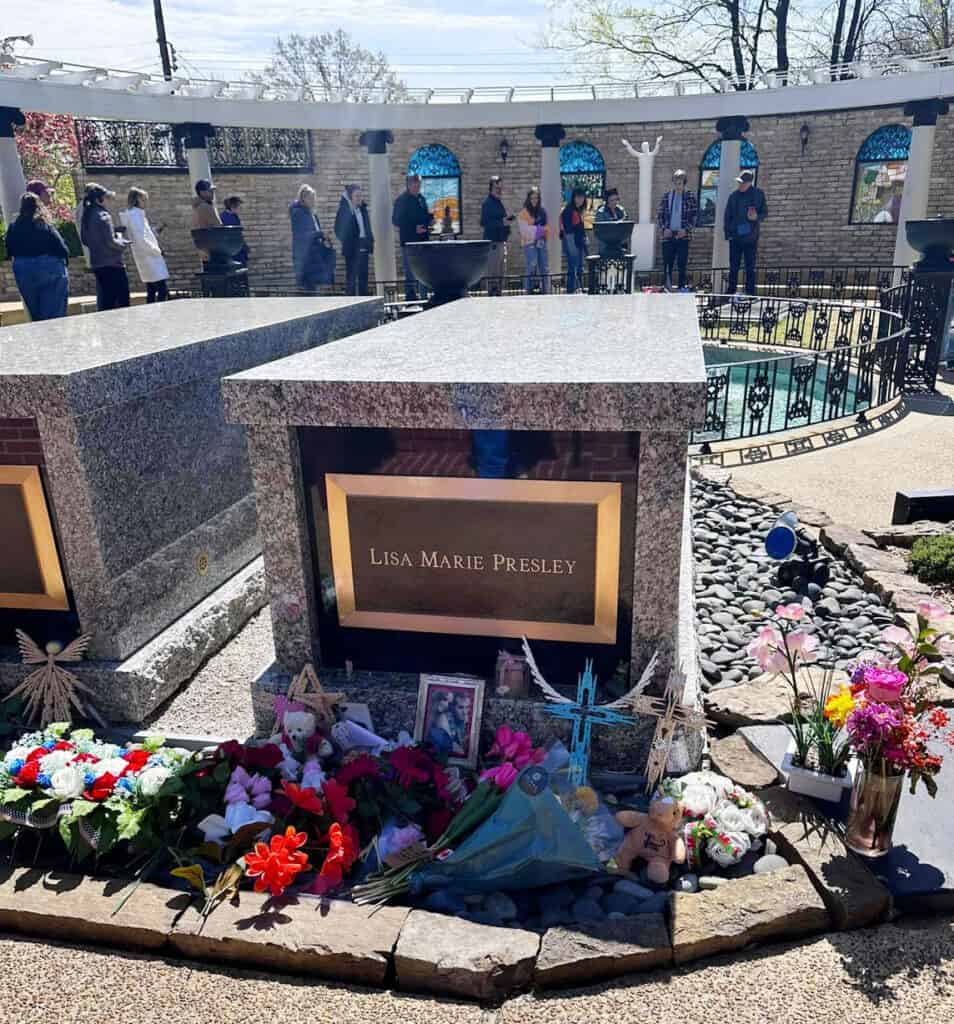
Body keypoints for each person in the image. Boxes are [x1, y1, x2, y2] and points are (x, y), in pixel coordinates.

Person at [5, 191, 70, 321]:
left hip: (23, 269)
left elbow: (9, 250)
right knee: (53, 313)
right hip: (49, 266)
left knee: (37, 314)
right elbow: (61, 248)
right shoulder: (43, 224)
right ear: (38, 206)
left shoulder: (14, 227)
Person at [79, 183, 130, 311]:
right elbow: (110, 242)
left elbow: (85, 240)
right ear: (99, 199)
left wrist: (114, 231)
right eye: (106, 198)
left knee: (106, 302)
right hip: (113, 265)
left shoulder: (86, 215)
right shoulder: (104, 215)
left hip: (97, 264)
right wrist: (123, 243)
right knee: (122, 303)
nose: (108, 201)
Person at [119, 187, 169, 303]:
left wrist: (157, 230)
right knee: (162, 289)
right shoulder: (135, 216)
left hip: (145, 257)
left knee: (151, 289)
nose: (146, 201)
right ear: (138, 199)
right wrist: (156, 251)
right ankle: (161, 314)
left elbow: (145, 234)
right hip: (149, 256)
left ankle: (152, 315)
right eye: (144, 199)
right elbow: (142, 238)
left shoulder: (136, 215)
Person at [724, 170, 767, 298]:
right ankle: (731, 290)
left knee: (750, 266)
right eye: (739, 183)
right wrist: (728, 234)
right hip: (735, 237)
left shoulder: (759, 194)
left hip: (751, 237)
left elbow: (765, 213)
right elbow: (727, 216)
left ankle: (750, 292)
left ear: (749, 183)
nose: (740, 185)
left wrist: (756, 217)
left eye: (743, 183)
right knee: (733, 266)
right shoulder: (733, 196)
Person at [656, 170, 698, 291]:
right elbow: (660, 215)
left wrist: (686, 230)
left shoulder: (690, 197)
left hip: (683, 236)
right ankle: (667, 286)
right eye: (676, 182)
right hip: (668, 236)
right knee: (667, 263)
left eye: (680, 183)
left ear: (684, 183)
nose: (678, 185)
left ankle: (681, 287)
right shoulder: (666, 196)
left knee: (682, 264)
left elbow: (694, 216)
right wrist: (664, 229)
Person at [392, 174, 432, 300]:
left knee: (424, 271)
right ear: (409, 185)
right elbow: (396, 221)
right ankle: (411, 299)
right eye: (415, 185)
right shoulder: (401, 200)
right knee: (410, 272)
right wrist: (414, 229)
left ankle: (424, 298)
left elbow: (424, 216)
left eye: (419, 185)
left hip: (423, 241)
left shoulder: (422, 199)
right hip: (409, 243)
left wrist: (429, 220)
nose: (418, 188)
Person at [289, 184, 335, 291]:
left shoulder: (312, 213)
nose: (313, 201)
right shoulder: (298, 213)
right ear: (303, 198)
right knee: (309, 289)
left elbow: (315, 231)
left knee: (316, 287)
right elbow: (301, 235)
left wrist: (324, 236)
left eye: (314, 198)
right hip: (305, 256)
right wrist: (320, 234)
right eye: (311, 198)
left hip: (315, 253)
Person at [334, 184, 374, 296]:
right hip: (352, 249)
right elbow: (338, 230)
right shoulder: (344, 211)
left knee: (364, 277)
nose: (359, 198)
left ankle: (364, 301)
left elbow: (367, 228)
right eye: (356, 196)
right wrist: (349, 241)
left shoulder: (363, 209)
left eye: (360, 195)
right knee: (351, 279)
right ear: (350, 197)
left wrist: (370, 241)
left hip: (364, 247)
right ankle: (350, 304)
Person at [480, 176, 514, 296]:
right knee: (493, 273)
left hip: (501, 242)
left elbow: (501, 220)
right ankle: (492, 298)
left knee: (500, 273)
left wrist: (507, 223)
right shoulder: (487, 203)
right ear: (491, 188)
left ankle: (498, 297)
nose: (499, 190)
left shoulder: (499, 203)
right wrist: (502, 222)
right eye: (496, 187)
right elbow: (484, 223)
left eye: (500, 187)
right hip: (493, 243)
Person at [517, 187, 549, 294]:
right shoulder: (523, 213)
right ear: (528, 199)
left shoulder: (543, 211)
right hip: (529, 244)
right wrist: (538, 230)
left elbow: (547, 229)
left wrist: (539, 231)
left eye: (536, 198)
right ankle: (527, 291)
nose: (534, 200)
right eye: (532, 198)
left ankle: (546, 292)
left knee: (544, 267)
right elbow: (524, 231)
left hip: (542, 242)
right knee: (531, 265)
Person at [560, 187, 589, 294]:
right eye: (578, 197)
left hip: (579, 242)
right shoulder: (569, 210)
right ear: (574, 198)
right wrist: (572, 247)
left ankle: (578, 288)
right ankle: (571, 290)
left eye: (582, 197)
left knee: (579, 267)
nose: (580, 199)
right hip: (572, 242)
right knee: (573, 267)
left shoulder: (577, 210)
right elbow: (568, 231)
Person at [594, 187, 628, 256]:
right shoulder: (601, 212)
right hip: (605, 247)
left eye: (616, 199)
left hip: (619, 246)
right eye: (612, 200)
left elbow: (625, 225)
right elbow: (600, 231)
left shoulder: (621, 210)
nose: (615, 202)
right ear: (607, 201)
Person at [220, 196, 249, 266]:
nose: (240, 209)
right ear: (233, 206)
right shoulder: (224, 217)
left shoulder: (234, 216)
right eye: (239, 206)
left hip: (238, 249)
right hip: (232, 251)